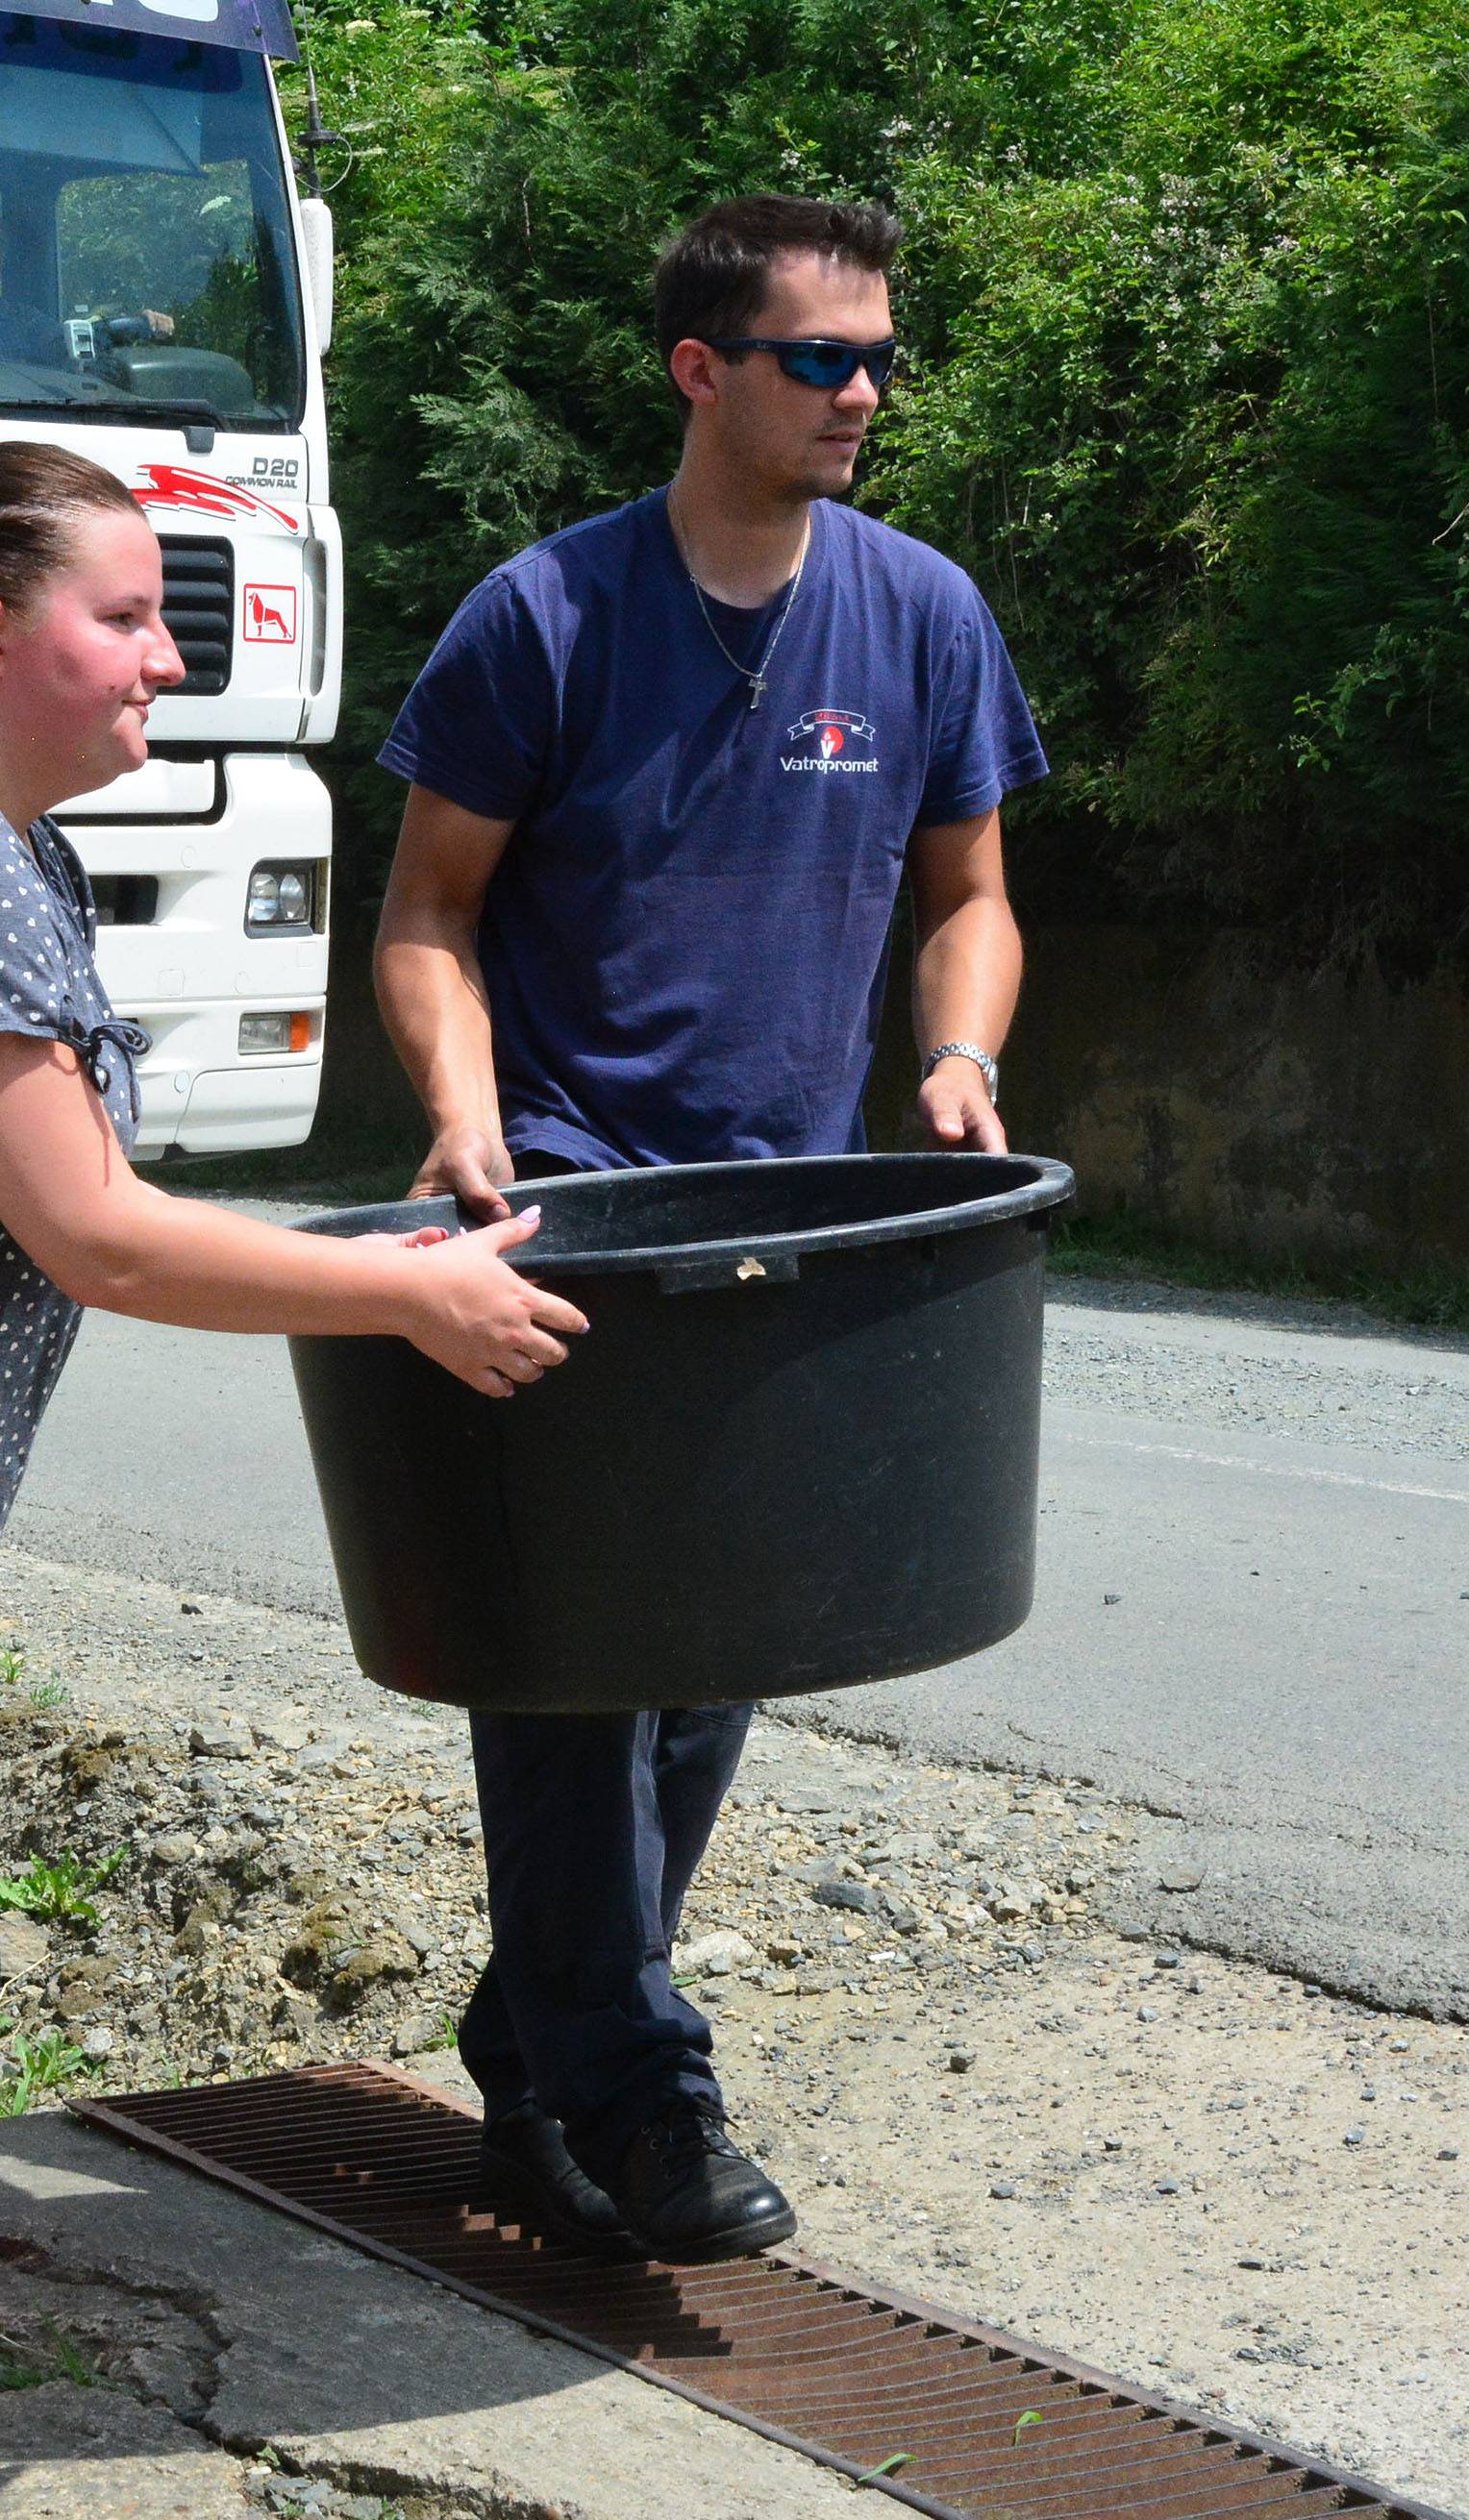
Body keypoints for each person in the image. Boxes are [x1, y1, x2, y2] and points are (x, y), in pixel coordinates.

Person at [372, 193, 1047, 2264]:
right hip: (571, 1203)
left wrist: (954, 1056)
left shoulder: (925, 613)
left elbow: (971, 898)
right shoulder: (546, 616)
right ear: (701, 369)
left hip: (797, 1212)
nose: (865, 393)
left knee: (712, 1663)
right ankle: (653, 2101)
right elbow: (428, 911)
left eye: (879, 358)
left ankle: (538, 2047)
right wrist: (470, 1120)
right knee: (576, 1661)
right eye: (821, 359)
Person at [0, 438, 589, 1557]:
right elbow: (97, 1237)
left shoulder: (36, 856)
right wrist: (400, 1293)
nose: (169, 660)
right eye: (123, 619)